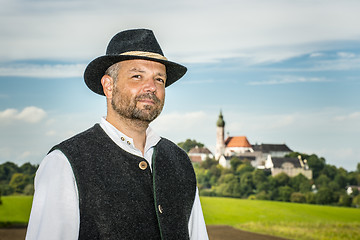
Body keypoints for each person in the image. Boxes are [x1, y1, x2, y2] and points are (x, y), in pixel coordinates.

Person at [26, 29, 209, 240]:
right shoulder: (64, 162)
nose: (151, 87)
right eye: (137, 76)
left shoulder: (180, 161)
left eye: (159, 79)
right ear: (108, 85)